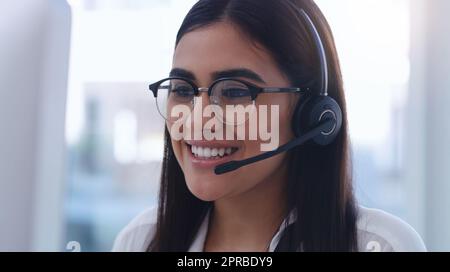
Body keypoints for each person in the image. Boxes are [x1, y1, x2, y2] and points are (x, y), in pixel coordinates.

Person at [112, 0, 426, 252]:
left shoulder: (383, 246)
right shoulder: (140, 241)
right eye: (182, 89)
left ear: (312, 113)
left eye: (234, 92)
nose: (198, 119)